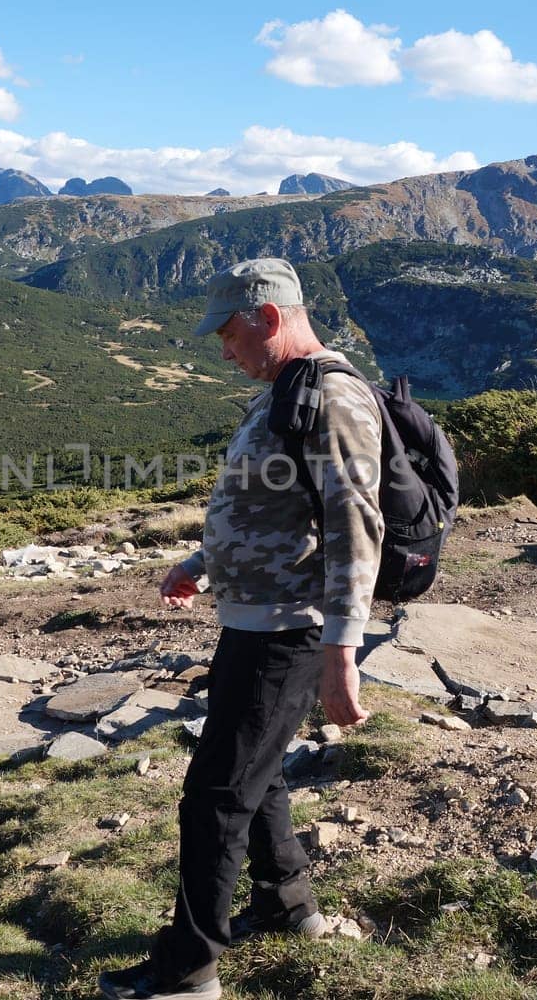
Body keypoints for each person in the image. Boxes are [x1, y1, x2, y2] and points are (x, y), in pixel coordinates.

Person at [99, 258, 385, 1000]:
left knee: (214, 796)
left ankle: (187, 971)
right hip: (254, 617)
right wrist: (204, 560)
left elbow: (357, 524)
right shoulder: (285, 391)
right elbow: (270, 500)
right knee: (255, 777)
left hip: (290, 630)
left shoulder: (333, 397)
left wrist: (342, 650)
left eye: (228, 333)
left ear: (266, 317)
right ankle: (289, 906)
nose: (223, 350)